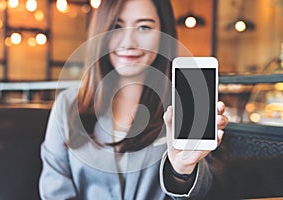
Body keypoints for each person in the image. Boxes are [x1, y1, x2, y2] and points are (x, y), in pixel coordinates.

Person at [39, 0, 229, 199]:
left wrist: (181, 171)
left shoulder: (184, 102)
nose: (129, 42)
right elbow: (55, 190)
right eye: (116, 27)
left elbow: (204, 191)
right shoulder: (68, 104)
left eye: (144, 27)